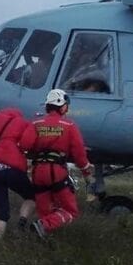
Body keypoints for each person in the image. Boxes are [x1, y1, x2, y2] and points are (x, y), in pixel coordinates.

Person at [28, 89, 93, 237]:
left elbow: (25, 144)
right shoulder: (68, 125)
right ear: (62, 106)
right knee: (70, 210)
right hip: (56, 172)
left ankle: (44, 235)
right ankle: (44, 225)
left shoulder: (36, 123)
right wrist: (87, 173)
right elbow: (79, 154)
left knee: (45, 210)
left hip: (38, 172)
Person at [0, 103, 38, 240]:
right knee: (31, 197)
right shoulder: (25, 123)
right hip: (13, 168)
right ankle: (22, 222)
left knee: (1, 212)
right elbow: (27, 144)